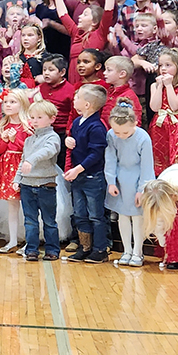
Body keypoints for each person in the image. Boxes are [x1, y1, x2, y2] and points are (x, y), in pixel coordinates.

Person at [104, 102, 155, 267]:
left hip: (138, 180)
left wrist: (142, 189)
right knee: (122, 216)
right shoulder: (112, 135)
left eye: (125, 132)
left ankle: (138, 252)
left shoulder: (143, 138)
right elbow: (110, 160)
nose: (121, 135)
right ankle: (126, 250)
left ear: (135, 123)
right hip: (121, 181)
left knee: (138, 217)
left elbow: (147, 166)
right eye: (117, 131)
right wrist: (111, 182)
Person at [65, 84, 109, 263]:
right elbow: (74, 142)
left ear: (88, 104)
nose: (74, 100)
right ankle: (85, 247)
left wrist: (77, 169)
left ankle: (100, 249)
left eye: (77, 98)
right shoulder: (77, 122)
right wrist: (68, 140)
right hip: (79, 176)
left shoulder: (97, 127)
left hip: (92, 177)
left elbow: (95, 154)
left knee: (96, 215)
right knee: (80, 213)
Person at [14, 100, 62, 262]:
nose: (34, 121)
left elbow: (48, 151)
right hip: (27, 186)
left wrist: (31, 160)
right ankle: (32, 249)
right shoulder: (29, 140)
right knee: (30, 221)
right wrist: (17, 179)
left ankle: (53, 250)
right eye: (32, 117)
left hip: (45, 186)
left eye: (39, 117)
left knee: (49, 221)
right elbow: (23, 160)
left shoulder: (53, 137)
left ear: (52, 119)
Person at [0, 88, 32, 254]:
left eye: (12, 102)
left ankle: (30, 241)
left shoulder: (28, 125)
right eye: (6, 102)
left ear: (22, 104)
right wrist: (6, 140)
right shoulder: (3, 125)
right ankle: (13, 240)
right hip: (6, 167)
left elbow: (29, 150)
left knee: (28, 206)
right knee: (12, 206)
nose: (8, 105)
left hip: (22, 167)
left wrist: (16, 140)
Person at [149, 49, 178, 173]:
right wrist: (160, 86)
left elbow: (175, 105)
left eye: (168, 65)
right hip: (159, 126)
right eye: (160, 65)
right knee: (160, 159)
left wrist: (168, 85)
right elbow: (155, 107)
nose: (163, 69)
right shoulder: (155, 85)